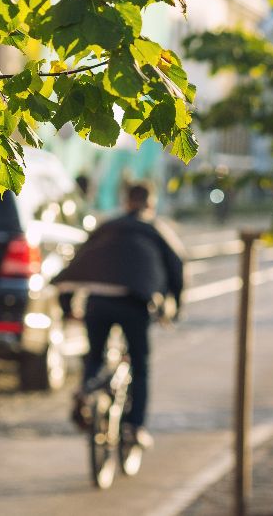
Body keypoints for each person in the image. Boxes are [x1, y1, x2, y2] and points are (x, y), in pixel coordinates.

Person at [53, 182, 185, 447]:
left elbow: (78, 264)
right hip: (134, 302)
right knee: (140, 365)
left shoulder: (105, 227)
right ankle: (135, 428)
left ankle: (87, 387)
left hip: (97, 301)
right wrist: (174, 308)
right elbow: (177, 270)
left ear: (126, 202)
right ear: (151, 204)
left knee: (95, 355)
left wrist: (69, 308)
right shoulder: (156, 230)